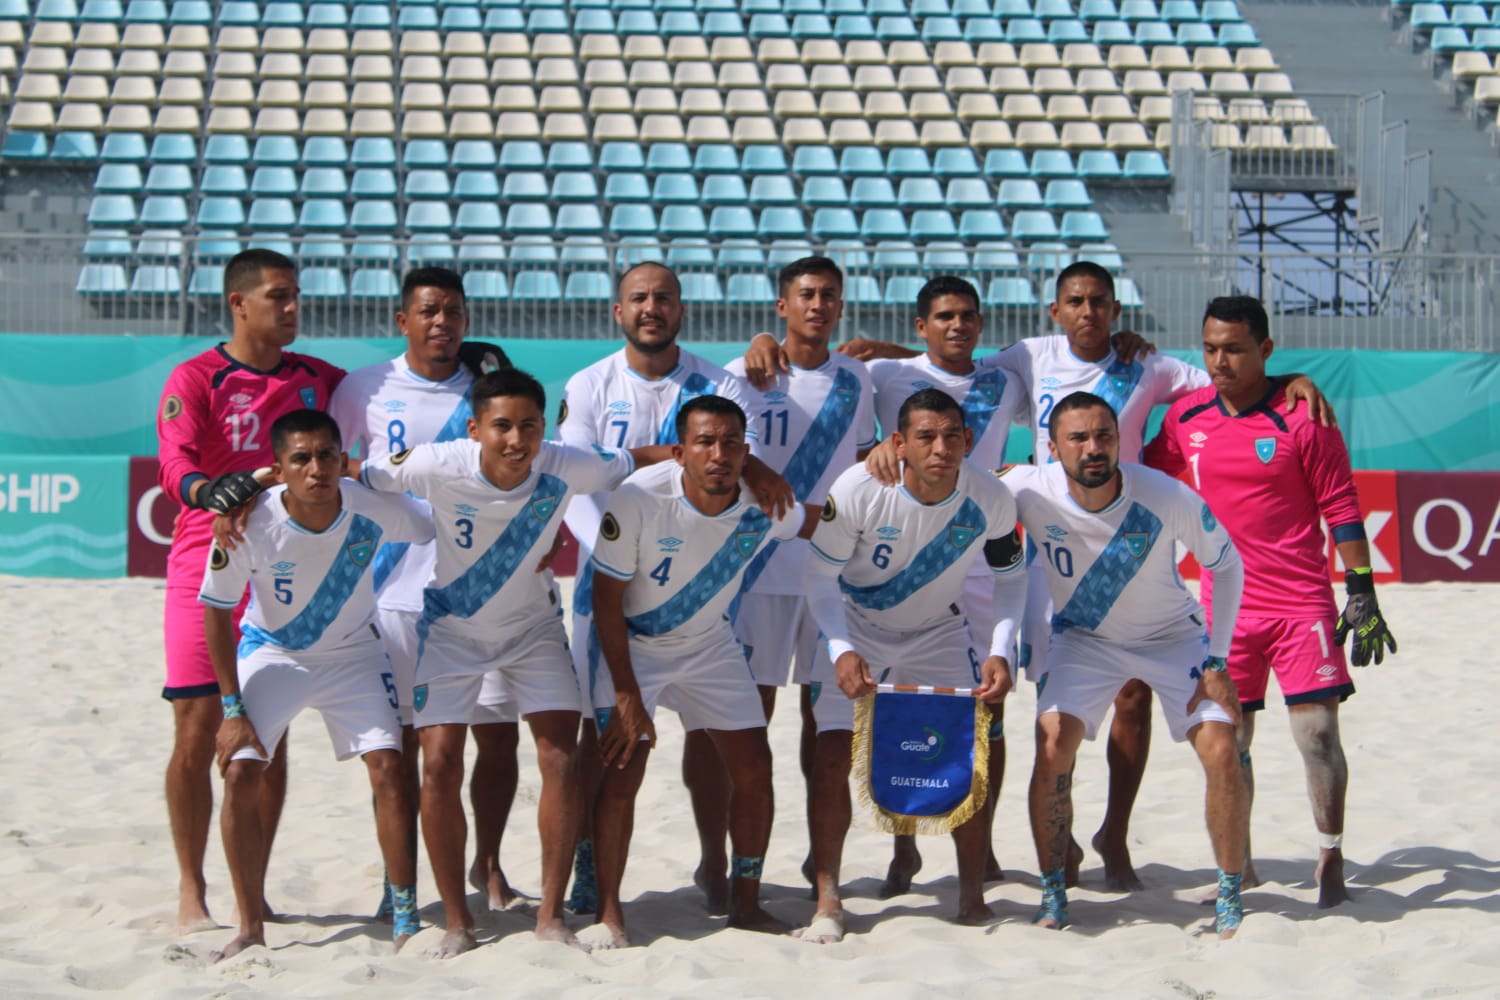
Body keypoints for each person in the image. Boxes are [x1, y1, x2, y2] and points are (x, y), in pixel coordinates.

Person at [837, 260, 1332, 891]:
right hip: (1035, 547)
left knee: (1129, 697)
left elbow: (1222, 380)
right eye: (1075, 301)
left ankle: (1113, 836)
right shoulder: (1027, 358)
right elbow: (952, 363)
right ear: (1055, 310)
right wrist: (888, 361)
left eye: (1099, 301)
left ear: (1116, 309)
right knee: (1005, 709)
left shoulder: (1148, 366)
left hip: (1115, 543)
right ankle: (971, 845)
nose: (1088, 312)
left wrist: (1290, 376)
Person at [359, 368, 655, 956]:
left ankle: (549, 916)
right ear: (475, 429)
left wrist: (751, 466)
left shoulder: (568, 462)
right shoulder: (437, 462)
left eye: (529, 426)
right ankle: (456, 922)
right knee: (439, 764)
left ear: (545, 427)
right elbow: (352, 474)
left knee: (561, 758)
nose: (517, 441)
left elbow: (645, 456)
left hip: (532, 630)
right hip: (451, 631)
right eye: (502, 427)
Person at [1144, 296, 1397, 908]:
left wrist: (1360, 587)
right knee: (1232, 742)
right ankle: (1243, 866)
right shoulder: (1186, 417)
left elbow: (1340, 506)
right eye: (1209, 349)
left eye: (1233, 348)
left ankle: (1330, 855)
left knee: (1315, 734)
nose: (1220, 361)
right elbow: (1142, 478)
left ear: (1266, 350)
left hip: (1300, 603)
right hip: (1224, 613)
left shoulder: (1304, 417)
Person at [557, 262, 792, 917]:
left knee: (712, 735)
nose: (651, 308)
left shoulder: (719, 383)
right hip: (611, 574)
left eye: (663, 298)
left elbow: (733, 454)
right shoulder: (589, 384)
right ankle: (587, 867)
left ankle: (715, 860)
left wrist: (764, 466)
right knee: (599, 737)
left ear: (682, 309)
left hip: (704, 585)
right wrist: (611, 554)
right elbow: (578, 481)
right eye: (639, 298)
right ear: (618, 311)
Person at [1001, 391, 1250, 937]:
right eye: (1079, 438)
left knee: (1223, 749)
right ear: (1052, 447)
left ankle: (1230, 894)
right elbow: (954, 492)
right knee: (1050, 746)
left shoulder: (1164, 494)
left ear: (1118, 439)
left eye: (1104, 436)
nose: (1094, 448)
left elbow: (1227, 566)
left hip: (1172, 637)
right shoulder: (1023, 487)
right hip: (1084, 640)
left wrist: (1218, 660)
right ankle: (1052, 895)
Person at [328, 266, 529, 917]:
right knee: (409, 750)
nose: (441, 322)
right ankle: (403, 880)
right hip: (393, 598)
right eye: (429, 311)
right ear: (403, 321)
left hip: (484, 594)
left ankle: (489, 865)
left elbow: (525, 466)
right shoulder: (366, 387)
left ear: (466, 322)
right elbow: (333, 473)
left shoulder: (490, 391)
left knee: (497, 740)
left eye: (453, 312)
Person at [199, 409, 433, 960]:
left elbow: (430, 523)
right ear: (277, 469)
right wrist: (232, 710)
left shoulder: (368, 505)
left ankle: (403, 915)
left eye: (327, 455)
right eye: (300, 458)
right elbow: (215, 612)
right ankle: (250, 925)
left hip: (354, 655)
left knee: (389, 769)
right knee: (239, 771)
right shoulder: (246, 524)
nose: (316, 468)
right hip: (273, 654)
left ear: (342, 459)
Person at [156, 248, 343, 933]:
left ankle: (251, 890)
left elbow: (397, 396)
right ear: (240, 303)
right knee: (197, 728)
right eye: (279, 296)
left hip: (286, 568)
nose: (293, 307)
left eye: (296, 295)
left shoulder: (318, 379)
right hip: (203, 562)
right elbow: (173, 462)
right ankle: (189, 888)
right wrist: (211, 490)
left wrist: (464, 357)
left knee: (269, 736)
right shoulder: (197, 376)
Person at [588, 395, 819, 948]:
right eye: (705, 442)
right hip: (636, 647)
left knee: (755, 769)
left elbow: (830, 525)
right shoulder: (640, 496)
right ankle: (610, 912)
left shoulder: (764, 504)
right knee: (621, 773)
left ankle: (745, 902)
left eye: (732, 444)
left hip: (711, 647)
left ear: (746, 452)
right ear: (679, 451)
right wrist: (626, 693)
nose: (719, 455)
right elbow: (604, 601)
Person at [801, 389, 1027, 942]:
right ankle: (829, 900)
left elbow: (1013, 578)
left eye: (952, 435)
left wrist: (1001, 648)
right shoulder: (858, 488)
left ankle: (971, 897)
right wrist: (839, 648)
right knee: (832, 757)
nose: (941, 447)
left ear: (969, 441)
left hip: (937, 632)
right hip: (854, 625)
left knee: (962, 759)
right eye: (926, 436)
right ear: (899, 443)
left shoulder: (991, 498)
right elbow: (819, 578)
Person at [722, 256, 877, 879]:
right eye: (806, 294)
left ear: (841, 306)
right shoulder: (743, 374)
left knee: (830, 736)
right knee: (741, 729)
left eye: (830, 295)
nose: (818, 305)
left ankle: (824, 869)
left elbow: (867, 462)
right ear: (782, 306)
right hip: (753, 575)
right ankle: (725, 863)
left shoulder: (860, 381)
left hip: (829, 576)